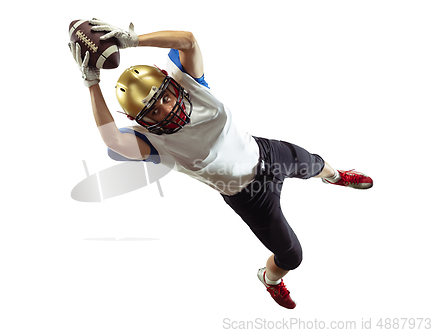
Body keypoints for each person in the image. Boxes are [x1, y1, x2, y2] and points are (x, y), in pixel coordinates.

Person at [68, 19, 373, 309]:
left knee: (316, 163)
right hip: (250, 198)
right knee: (291, 256)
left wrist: (134, 40)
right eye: (152, 111)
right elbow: (112, 140)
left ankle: (335, 177)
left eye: (163, 97)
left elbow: (187, 40)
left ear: (170, 84)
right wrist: (92, 83)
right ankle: (268, 279)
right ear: (140, 121)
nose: (163, 108)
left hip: (266, 153)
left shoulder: (190, 83)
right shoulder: (153, 143)